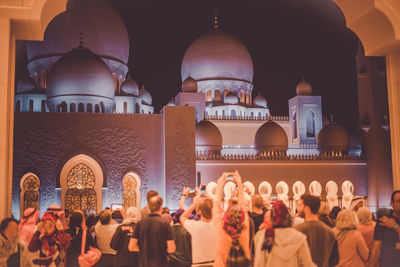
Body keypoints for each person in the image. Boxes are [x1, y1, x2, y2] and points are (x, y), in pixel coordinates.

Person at [254, 200, 316, 267]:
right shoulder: (299, 238)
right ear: (288, 217)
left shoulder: (265, 237)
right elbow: (307, 264)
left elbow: (259, 264)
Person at [213, 171, 250, 267]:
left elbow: (216, 206)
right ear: (241, 218)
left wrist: (220, 185)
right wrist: (239, 184)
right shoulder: (244, 228)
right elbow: (242, 204)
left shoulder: (220, 228)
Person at [129, 195, 175, 267]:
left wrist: (143, 249)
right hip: (161, 263)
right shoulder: (165, 223)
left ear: (149, 207)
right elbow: (171, 248)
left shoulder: (140, 223)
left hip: (144, 263)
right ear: (161, 207)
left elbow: (131, 247)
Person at [295, 194, 339, 267]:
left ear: (307, 209)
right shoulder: (330, 232)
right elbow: (334, 261)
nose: (297, 207)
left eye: (300, 205)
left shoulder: (297, 231)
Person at [181, 187, 216, 267]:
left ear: (199, 211)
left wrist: (194, 204)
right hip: (215, 263)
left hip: (198, 264)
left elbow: (182, 217)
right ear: (212, 210)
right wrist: (212, 200)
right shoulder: (217, 225)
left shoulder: (194, 226)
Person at [369, 190, 400, 267]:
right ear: (391, 204)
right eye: (399, 201)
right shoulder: (383, 222)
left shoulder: (392, 223)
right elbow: (376, 250)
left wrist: (395, 227)